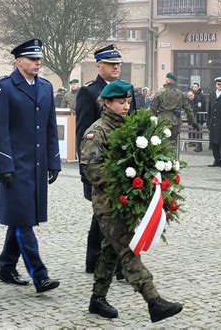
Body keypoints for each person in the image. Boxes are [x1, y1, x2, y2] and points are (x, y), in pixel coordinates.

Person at [80, 80, 183, 323]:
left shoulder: (131, 128)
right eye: (120, 102)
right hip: (107, 203)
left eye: (127, 102)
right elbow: (91, 170)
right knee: (127, 248)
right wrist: (125, 181)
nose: (126, 106)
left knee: (110, 249)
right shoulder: (98, 131)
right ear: (106, 102)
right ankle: (154, 301)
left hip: (126, 201)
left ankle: (97, 299)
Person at [0, 38, 61, 293]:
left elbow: (50, 128)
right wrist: (4, 165)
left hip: (37, 166)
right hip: (15, 166)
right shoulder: (3, 88)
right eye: (32, 59)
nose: (37, 62)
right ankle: (39, 275)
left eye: (39, 58)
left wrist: (54, 161)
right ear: (18, 61)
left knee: (21, 219)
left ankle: (7, 266)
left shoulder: (45, 87)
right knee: (24, 222)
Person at [75, 44, 130, 276]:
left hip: (123, 166)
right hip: (100, 166)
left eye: (118, 64)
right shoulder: (89, 93)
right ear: (99, 66)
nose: (116, 67)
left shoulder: (128, 90)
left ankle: (106, 261)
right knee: (102, 215)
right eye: (110, 64)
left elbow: (131, 126)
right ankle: (97, 260)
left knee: (116, 214)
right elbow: (82, 132)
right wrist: (85, 171)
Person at [150, 72, 198, 150]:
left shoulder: (159, 93)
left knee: (161, 144)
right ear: (175, 82)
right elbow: (188, 109)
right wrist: (193, 122)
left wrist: (151, 124)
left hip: (162, 121)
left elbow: (152, 109)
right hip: (175, 121)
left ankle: (163, 161)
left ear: (167, 81)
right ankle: (174, 160)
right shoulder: (180, 94)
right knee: (173, 145)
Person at [191, 83, 206, 152]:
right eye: (193, 87)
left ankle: (199, 146)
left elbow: (200, 107)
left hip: (199, 117)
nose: (194, 88)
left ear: (198, 87)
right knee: (195, 131)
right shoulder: (192, 95)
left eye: (196, 87)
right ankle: (194, 143)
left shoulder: (201, 96)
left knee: (199, 132)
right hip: (194, 116)